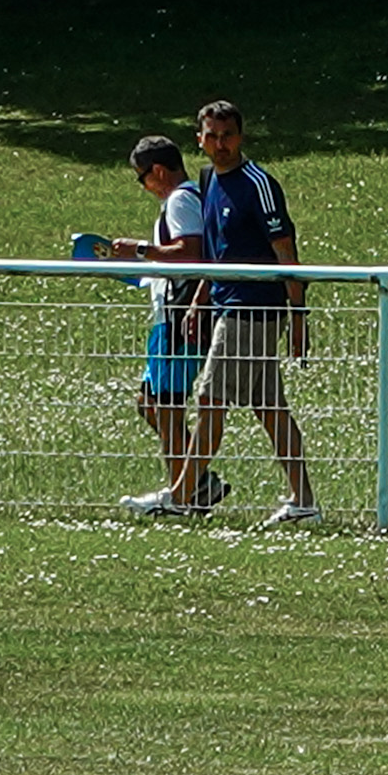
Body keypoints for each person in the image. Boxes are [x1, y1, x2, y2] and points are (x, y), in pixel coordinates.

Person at [121, 100, 320, 527]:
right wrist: (199, 300)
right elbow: (214, 255)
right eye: (211, 136)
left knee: (210, 400)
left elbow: (288, 256)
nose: (220, 144)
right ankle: (304, 502)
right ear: (200, 140)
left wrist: (298, 318)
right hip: (225, 305)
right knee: (271, 409)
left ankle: (179, 497)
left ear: (240, 136)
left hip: (253, 309)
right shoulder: (208, 181)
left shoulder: (259, 184)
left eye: (227, 135)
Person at [111, 136, 227, 512]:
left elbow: (190, 252)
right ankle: (196, 482)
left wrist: (141, 250)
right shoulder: (188, 199)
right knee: (150, 402)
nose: (143, 186)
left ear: (158, 171)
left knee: (166, 406)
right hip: (170, 316)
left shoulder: (180, 200)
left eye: (142, 178)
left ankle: (184, 496)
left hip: (180, 319)